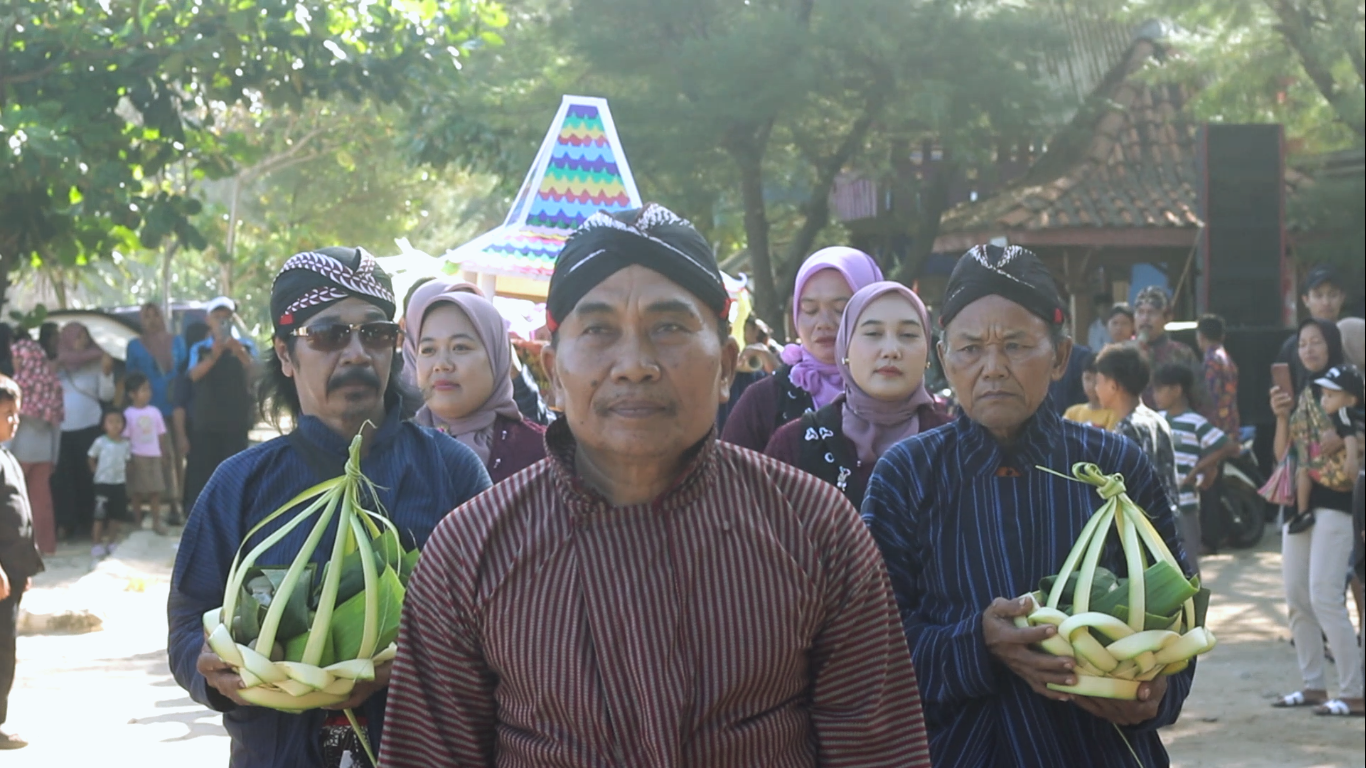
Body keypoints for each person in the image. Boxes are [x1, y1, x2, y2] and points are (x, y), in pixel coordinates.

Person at [381, 205, 931, 768]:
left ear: (726, 368)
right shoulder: (468, 550)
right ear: (551, 375)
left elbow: (878, 750)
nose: (634, 365)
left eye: (669, 327)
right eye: (598, 330)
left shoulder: (816, 528)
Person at [862, 244, 1193, 768]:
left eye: (1016, 345)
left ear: (1060, 356)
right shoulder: (907, 476)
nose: (993, 368)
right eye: (970, 349)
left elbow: (1178, 615)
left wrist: (1155, 696)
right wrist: (979, 644)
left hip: (1100, 752)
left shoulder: (1113, 467)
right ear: (944, 359)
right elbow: (871, 646)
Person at [168, 246, 492, 768]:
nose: (358, 353)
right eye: (329, 335)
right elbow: (188, 619)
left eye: (377, 333)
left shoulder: (452, 474)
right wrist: (208, 668)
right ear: (284, 354)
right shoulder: (241, 485)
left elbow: (496, 625)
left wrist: (404, 664)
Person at [764, 281, 949, 506]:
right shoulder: (794, 446)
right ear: (845, 348)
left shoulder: (957, 446)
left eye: (908, 335)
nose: (891, 350)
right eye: (873, 333)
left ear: (928, 353)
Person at [1269, 319, 1364, 717]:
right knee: (1297, 597)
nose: (1308, 349)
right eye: (1303, 343)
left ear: (1333, 345)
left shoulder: (1351, 390)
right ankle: (1313, 686)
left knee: (1326, 597)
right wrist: (1280, 416)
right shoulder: (1303, 393)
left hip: (1337, 502)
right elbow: (1281, 455)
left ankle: (1354, 692)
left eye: (1317, 342)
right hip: (1298, 504)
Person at [720, 246, 884, 451]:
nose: (823, 323)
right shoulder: (764, 401)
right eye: (810, 310)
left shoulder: (899, 392)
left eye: (840, 309)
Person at [406, 280, 546, 483]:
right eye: (428, 350)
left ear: (496, 355)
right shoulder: (392, 448)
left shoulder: (541, 456)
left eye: (460, 347)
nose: (442, 364)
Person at [1093, 344, 1187, 566]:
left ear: (1114, 386)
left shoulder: (1125, 430)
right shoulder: (1158, 420)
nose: (1096, 389)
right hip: (1167, 529)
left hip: (1140, 540)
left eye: (1099, 381)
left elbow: (1126, 494)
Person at [0, 374, 44, 751]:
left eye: (16, 414)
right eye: (6, 414)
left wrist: (22, 568)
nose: (14, 421)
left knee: (5, 647)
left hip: (11, 574)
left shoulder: (6, 455)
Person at [1153, 364, 1238, 557]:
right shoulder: (1157, 419)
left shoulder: (1195, 421)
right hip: (1160, 503)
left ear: (1176, 390)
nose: (1155, 395)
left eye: (1160, 389)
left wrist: (1199, 468)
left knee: (1188, 559)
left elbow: (1228, 446)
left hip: (1185, 503)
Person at [181, 297, 256, 511]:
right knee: (203, 473)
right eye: (217, 317)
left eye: (226, 317)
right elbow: (193, 375)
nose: (222, 321)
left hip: (236, 421)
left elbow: (256, 376)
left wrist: (240, 353)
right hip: (205, 422)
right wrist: (214, 356)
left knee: (237, 473)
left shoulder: (247, 346)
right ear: (208, 320)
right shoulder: (199, 348)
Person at [124, 302, 188, 521]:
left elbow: (184, 372)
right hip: (145, 411)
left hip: (173, 406)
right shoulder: (134, 345)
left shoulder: (177, 341)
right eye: (147, 316)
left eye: (155, 314)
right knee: (147, 457)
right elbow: (130, 375)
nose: (152, 320)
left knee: (174, 457)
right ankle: (147, 507)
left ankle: (175, 503)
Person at [52, 323, 115, 540]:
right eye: (77, 337)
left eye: (85, 337)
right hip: (63, 429)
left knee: (90, 476)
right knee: (66, 478)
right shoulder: (56, 365)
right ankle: (67, 523)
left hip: (89, 426)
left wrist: (106, 374)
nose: (82, 342)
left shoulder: (97, 362)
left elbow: (106, 395)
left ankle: (93, 523)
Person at [3, 329, 62, 555]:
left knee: (15, 504)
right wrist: (54, 456)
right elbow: (57, 425)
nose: (15, 361)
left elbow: (9, 425)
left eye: (18, 357)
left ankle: (21, 551)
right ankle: (46, 547)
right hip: (44, 454)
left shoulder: (16, 387)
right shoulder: (52, 384)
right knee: (42, 503)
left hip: (18, 453)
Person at [1277, 265, 1346, 393]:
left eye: (1332, 295)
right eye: (1318, 296)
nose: (1326, 302)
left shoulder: (1353, 337)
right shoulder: (1292, 346)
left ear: (1342, 298)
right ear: (1306, 300)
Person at [1132, 286, 1203, 411]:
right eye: (1140, 312)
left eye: (1152, 313)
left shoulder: (1182, 353)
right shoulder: (1124, 352)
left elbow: (1200, 398)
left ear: (1167, 318)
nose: (1145, 319)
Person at [122, 372, 170, 535]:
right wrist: (128, 459)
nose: (148, 393)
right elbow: (126, 438)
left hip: (154, 455)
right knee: (137, 492)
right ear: (131, 394)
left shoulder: (154, 412)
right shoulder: (128, 414)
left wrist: (163, 453)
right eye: (143, 389)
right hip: (137, 455)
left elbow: (161, 434)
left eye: (148, 389)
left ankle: (156, 522)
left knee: (155, 490)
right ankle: (137, 522)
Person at [169, 321, 209, 518]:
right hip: (194, 427)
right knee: (195, 471)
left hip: (212, 427)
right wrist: (181, 435)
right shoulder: (188, 366)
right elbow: (179, 405)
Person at [87, 409, 132, 558]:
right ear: (104, 425)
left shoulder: (125, 444)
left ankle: (112, 542)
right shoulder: (100, 442)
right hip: (103, 483)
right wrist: (96, 471)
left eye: (118, 421)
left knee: (116, 515)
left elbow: (128, 461)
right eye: (110, 422)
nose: (115, 425)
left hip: (119, 483)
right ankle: (97, 543)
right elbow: (91, 457)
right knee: (99, 515)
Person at [1196, 314, 1240, 438]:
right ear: (1222, 336)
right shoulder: (1227, 358)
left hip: (1216, 428)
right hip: (1230, 423)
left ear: (1201, 336)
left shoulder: (1211, 361)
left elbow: (1211, 397)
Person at [1063, 357, 1120, 430]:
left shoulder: (1113, 415)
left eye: (1097, 380)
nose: (1092, 385)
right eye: (1087, 378)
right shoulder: (1072, 413)